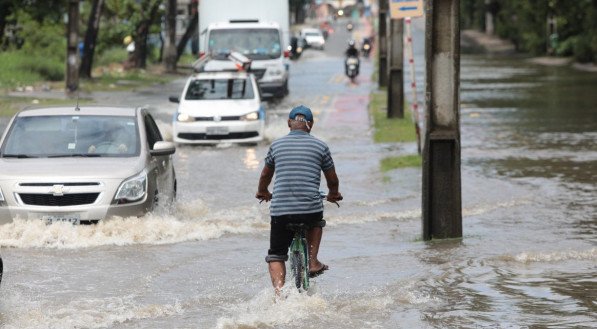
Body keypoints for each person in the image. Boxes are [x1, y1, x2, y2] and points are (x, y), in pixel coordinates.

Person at [255, 105, 343, 293]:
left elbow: (265, 176)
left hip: (281, 211)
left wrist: (263, 192)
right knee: (316, 222)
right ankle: (312, 261)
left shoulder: (276, 145)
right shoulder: (321, 146)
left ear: (289, 123)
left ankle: (279, 294)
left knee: (276, 255)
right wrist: (333, 194)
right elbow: (332, 179)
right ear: (310, 124)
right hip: (309, 209)